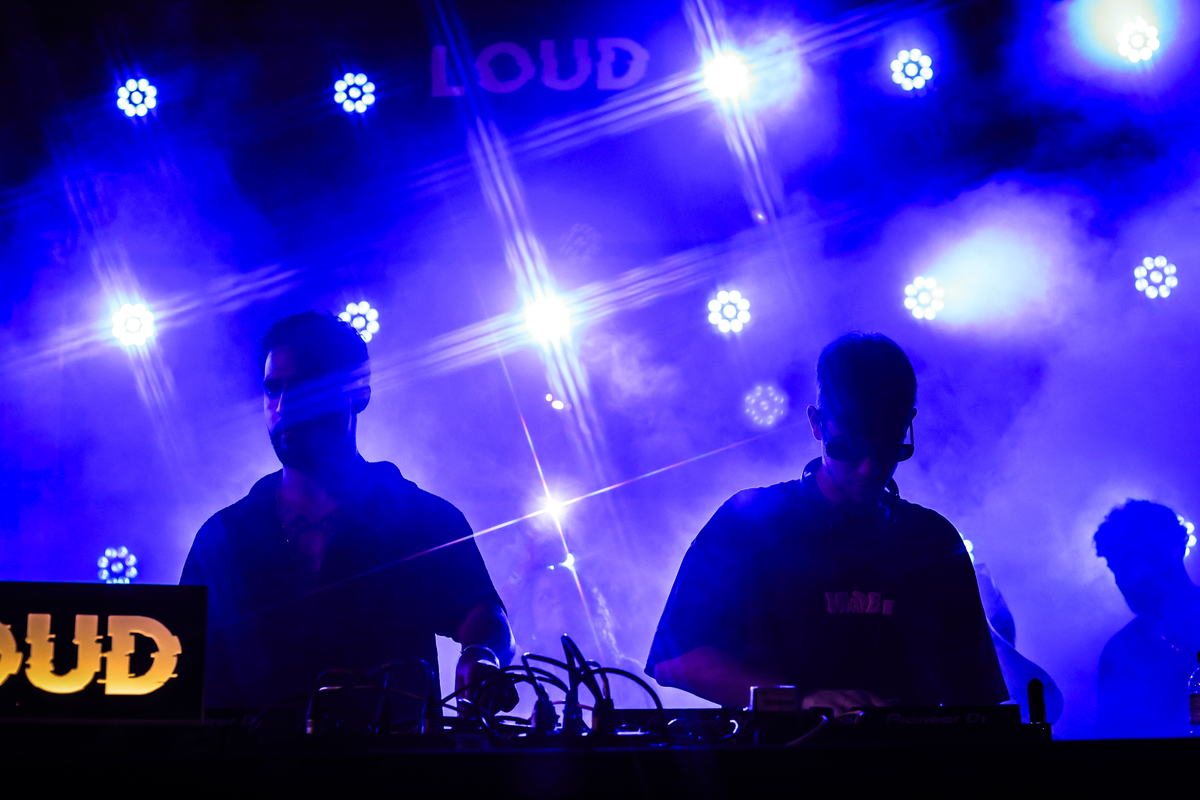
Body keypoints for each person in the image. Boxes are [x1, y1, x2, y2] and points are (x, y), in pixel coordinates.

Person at [646, 332, 1006, 715]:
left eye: (888, 447)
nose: (869, 469)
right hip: (776, 752)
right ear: (817, 424)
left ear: (908, 425)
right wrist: (801, 701)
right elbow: (676, 659)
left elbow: (976, 696)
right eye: (848, 447)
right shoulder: (748, 522)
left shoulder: (933, 540)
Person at [181, 312, 515, 713]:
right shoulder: (222, 540)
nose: (284, 405)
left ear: (359, 393)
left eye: (305, 386)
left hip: (393, 755)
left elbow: (484, 614)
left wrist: (482, 655)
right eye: (273, 388)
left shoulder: (422, 520)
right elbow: (181, 662)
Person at [1094, 500, 1200, 738]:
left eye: (1131, 560)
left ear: (1173, 550)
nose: (1122, 579)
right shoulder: (1120, 652)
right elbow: (1108, 747)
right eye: (1115, 567)